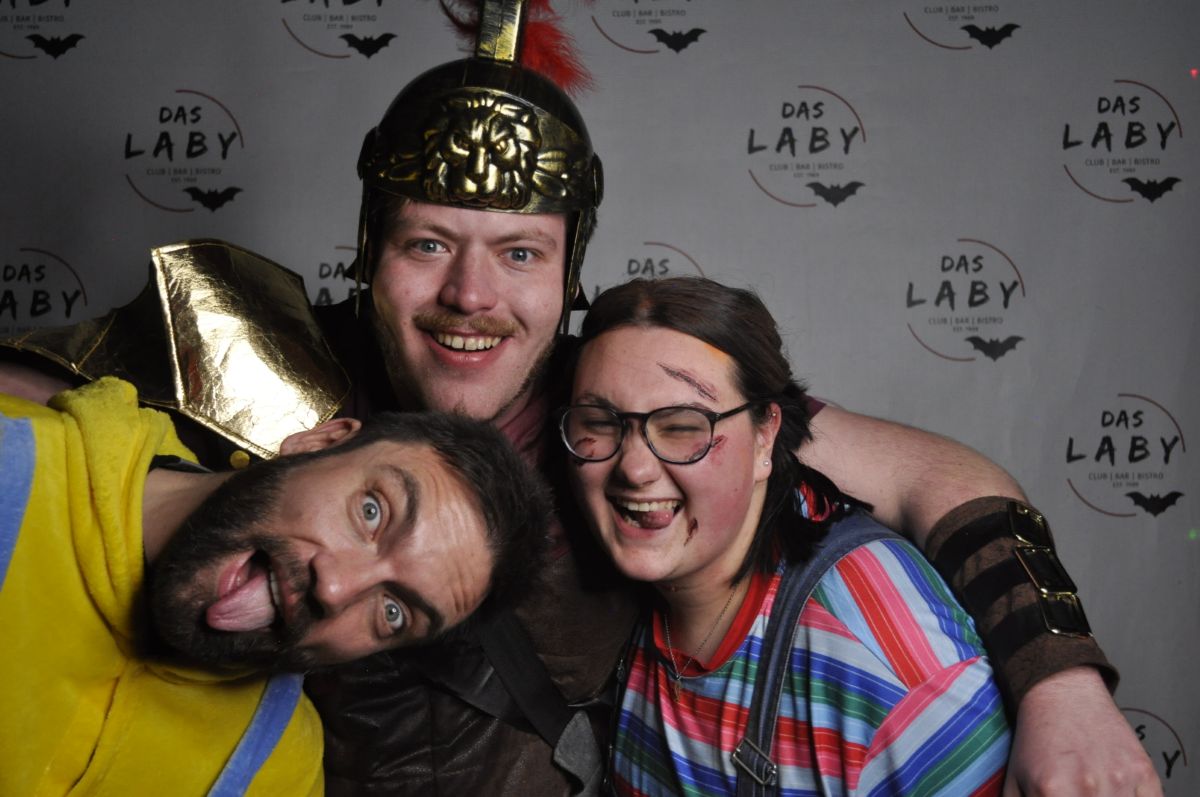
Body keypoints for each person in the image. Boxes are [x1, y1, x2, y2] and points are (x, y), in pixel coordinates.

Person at [0, 1, 1158, 795]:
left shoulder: (629, 424)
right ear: (369, 249)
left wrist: (1062, 684)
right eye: (428, 244)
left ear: (569, 271)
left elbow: (932, 476)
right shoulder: (247, 352)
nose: (470, 296)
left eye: (518, 253)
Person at [562, 276, 1011, 794]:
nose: (635, 469)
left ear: (764, 436)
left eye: (683, 426)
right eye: (600, 422)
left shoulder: (895, 672)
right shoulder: (620, 586)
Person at [0, 376, 550, 796]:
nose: (335, 588)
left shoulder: (281, 770)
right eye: (371, 512)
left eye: (393, 612)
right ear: (318, 442)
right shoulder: (13, 462)